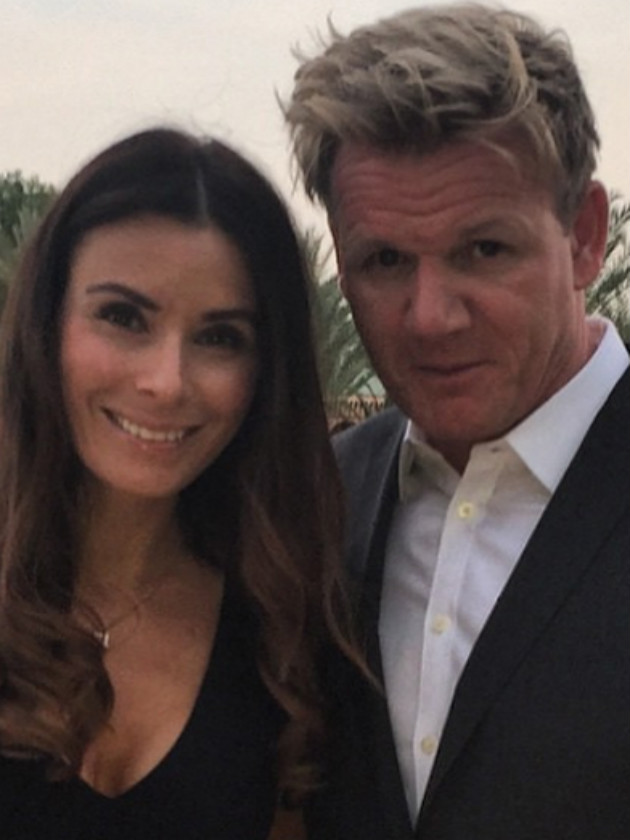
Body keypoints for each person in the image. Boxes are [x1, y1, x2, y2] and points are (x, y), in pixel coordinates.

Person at [285, 4, 630, 839]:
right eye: (385, 261)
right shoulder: (318, 506)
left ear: (585, 237)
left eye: (484, 250)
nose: (431, 317)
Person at [0, 127, 348, 840]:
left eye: (219, 337)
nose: (166, 382)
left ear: (265, 372)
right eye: (123, 317)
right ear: (47, 321)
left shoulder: (285, 628)